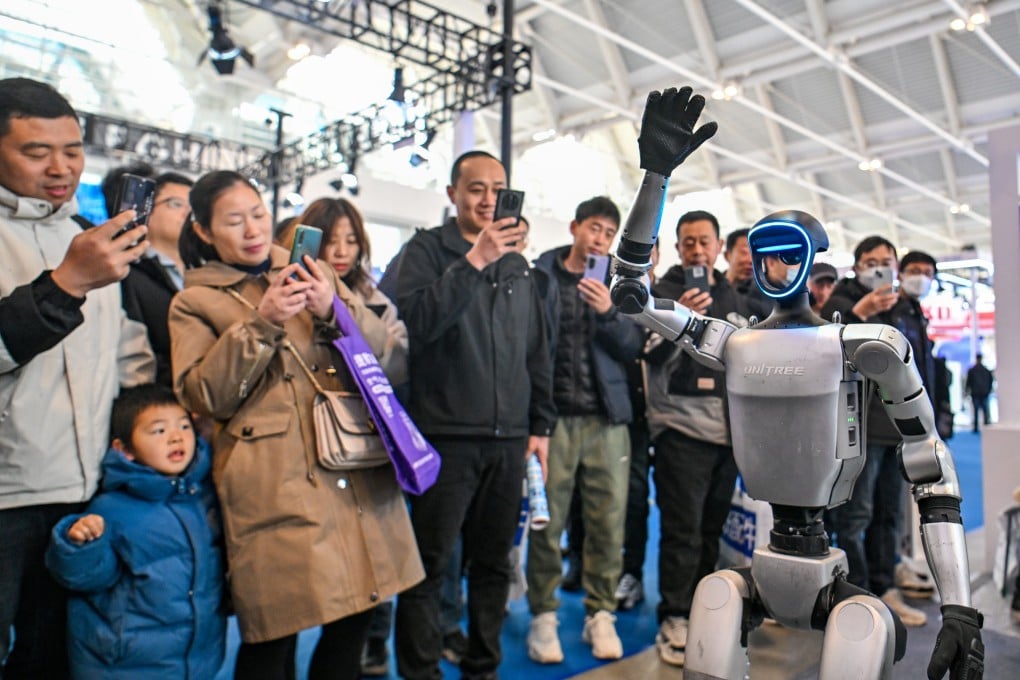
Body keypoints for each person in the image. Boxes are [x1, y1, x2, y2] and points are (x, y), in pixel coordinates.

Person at [169, 170, 423, 680]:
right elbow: (204, 396)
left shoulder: (314, 273)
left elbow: (390, 365)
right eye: (234, 221)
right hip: (275, 487)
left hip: (354, 469)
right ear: (203, 231)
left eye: (258, 214)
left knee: (352, 624)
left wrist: (334, 310)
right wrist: (262, 322)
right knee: (272, 639)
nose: (252, 230)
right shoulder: (194, 302)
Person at [0, 77, 155, 677]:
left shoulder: (86, 239)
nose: (59, 167)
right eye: (36, 152)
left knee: (55, 655)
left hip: (82, 490)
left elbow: (120, 358)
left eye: (72, 149)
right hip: (7, 495)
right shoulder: (80, 257)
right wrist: (64, 285)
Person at [393, 150, 555, 680]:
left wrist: (540, 428)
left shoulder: (518, 264)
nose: (488, 199)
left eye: (498, 188)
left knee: (493, 564)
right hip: (444, 436)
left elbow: (537, 350)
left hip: (509, 440)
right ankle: (421, 671)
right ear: (452, 195)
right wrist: (474, 261)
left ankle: (482, 666)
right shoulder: (425, 251)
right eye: (476, 188)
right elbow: (415, 323)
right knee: (430, 566)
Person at [278, 197, 409, 677]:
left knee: (361, 590)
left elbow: (394, 364)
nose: (341, 251)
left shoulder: (375, 299)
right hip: (296, 457)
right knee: (286, 601)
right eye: (329, 239)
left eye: (351, 240)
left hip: (361, 451)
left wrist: (342, 307)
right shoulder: (279, 291)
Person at [526, 196, 643, 663]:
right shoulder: (541, 277)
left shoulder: (618, 283)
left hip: (606, 421)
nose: (600, 239)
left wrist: (608, 313)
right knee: (546, 521)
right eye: (595, 228)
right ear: (575, 226)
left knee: (607, 522)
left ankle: (601, 612)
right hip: (550, 422)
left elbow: (634, 345)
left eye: (609, 233)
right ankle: (543, 615)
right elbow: (528, 345)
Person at [45, 384, 226, 679]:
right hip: (126, 665)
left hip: (196, 659)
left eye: (184, 425)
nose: (177, 436)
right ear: (124, 449)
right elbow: (85, 577)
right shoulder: (111, 507)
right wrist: (80, 545)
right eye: (159, 431)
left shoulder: (202, 496)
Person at [644, 209, 753, 666]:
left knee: (712, 530)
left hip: (730, 437)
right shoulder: (663, 294)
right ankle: (673, 614)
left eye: (704, 242)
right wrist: (682, 320)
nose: (697, 250)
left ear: (717, 245)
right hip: (681, 432)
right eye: (688, 242)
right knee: (681, 530)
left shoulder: (736, 296)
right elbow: (646, 355)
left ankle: (703, 606)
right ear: (677, 245)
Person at [822, 241, 935, 628]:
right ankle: (856, 593)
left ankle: (885, 587)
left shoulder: (906, 307)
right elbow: (822, 343)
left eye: (886, 263)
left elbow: (918, 366)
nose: (879, 270)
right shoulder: (843, 299)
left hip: (898, 427)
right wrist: (859, 313)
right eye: (871, 263)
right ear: (856, 268)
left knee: (888, 515)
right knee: (856, 516)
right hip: (859, 429)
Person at [102, 164, 194, 387]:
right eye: (175, 204)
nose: (188, 213)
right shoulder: (125, 272)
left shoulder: (205, 272)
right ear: (145, 211)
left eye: (193, 206)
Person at [614, 241, 659, 611]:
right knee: (612, 499)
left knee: (637, 500)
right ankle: (598, 565)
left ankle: (632, 572)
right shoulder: (612, 293)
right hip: (618, 414)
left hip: (658, 417)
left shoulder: (668, 296)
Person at [965, 353, 995, 433]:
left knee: (976, 410)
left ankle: (976, 427)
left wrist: (967, 391)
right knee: (985, 410)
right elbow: (990, 381)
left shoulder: (972, 370)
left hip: (976, 393)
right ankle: (986, 426)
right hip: (984, 393)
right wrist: (988, 390)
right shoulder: (986, 370)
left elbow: (969, 382)